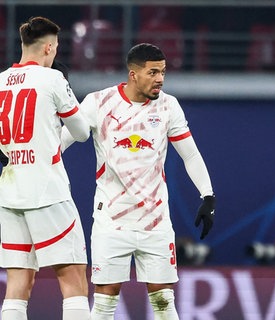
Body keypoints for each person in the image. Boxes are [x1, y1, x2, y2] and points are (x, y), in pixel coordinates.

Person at [62, 42, 216, 319]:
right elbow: (59, 145)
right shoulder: (98, 103)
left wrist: (208, 195)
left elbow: (190, 155)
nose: (160, 79)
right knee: (105, 302)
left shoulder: (169, 106)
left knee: (164, 302)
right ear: (133, 74)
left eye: (163, 72)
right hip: (111, 219)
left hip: (155, 220)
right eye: (153, 72)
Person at [0, 16, 91, 320]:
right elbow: (81, 132)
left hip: (9, 193)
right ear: (49, 47)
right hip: (47, 192)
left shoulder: (0, 80)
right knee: (74, 278)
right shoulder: (53, 79)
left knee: (18, 284)